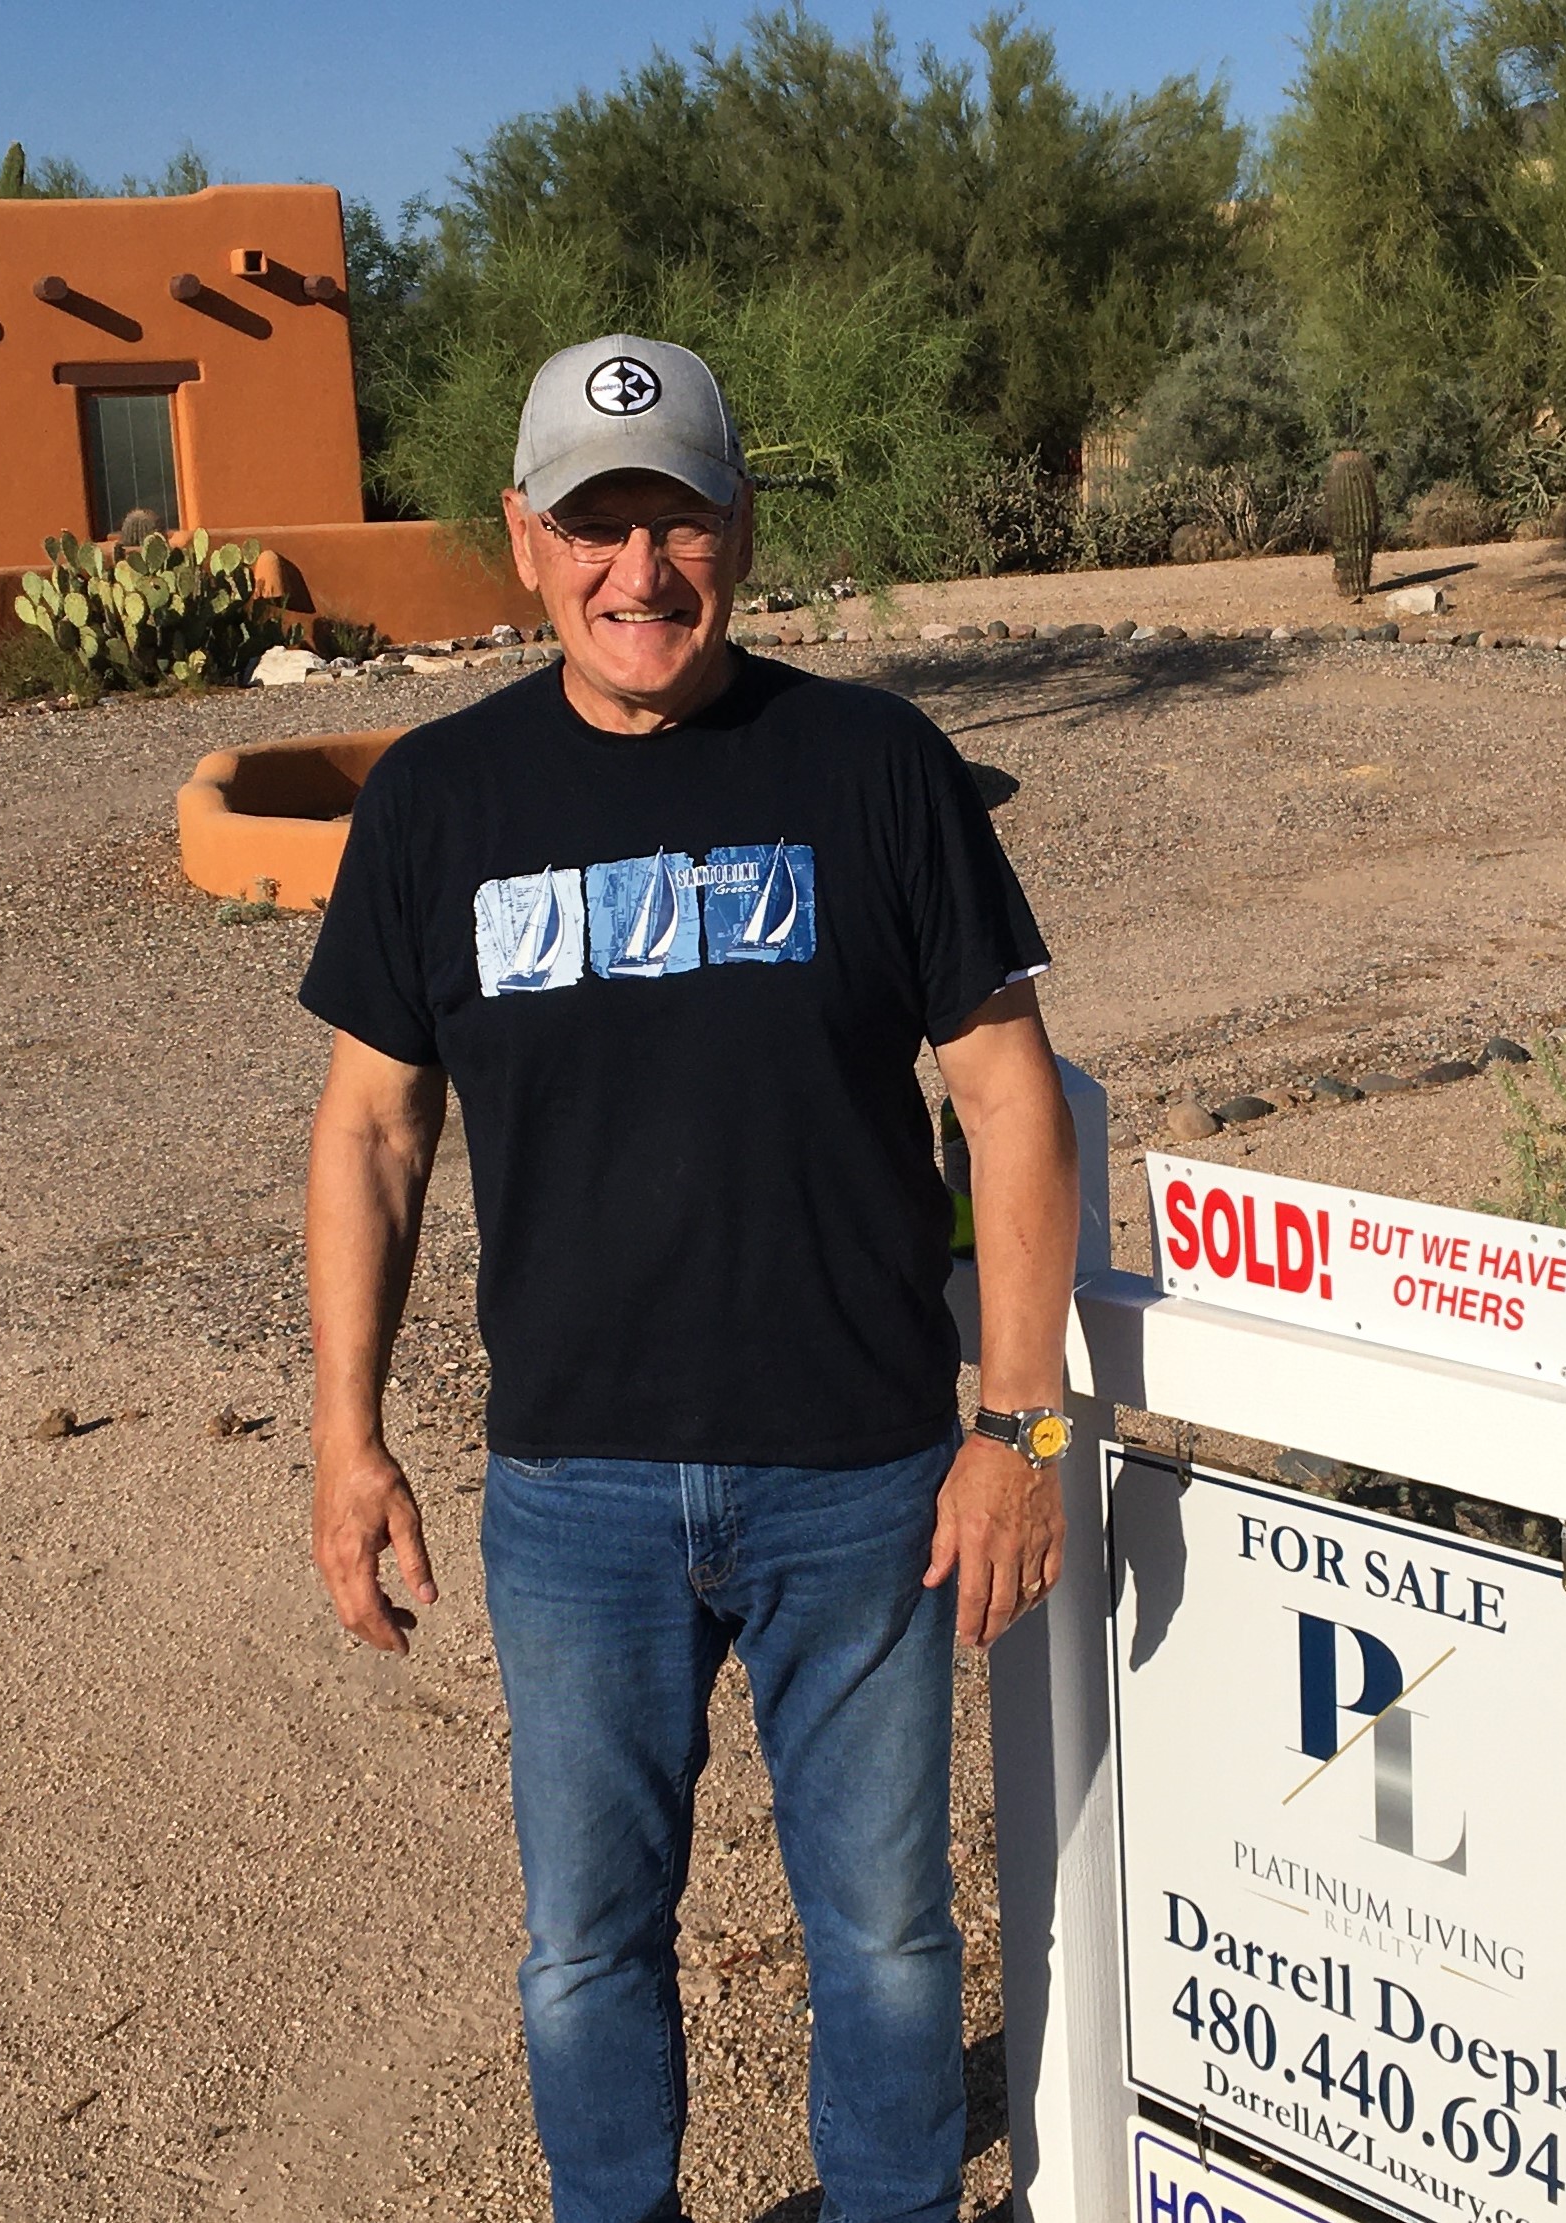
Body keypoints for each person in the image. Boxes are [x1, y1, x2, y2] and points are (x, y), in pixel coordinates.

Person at [299, 333, 1080, 2223]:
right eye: (595, 526)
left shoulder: (874, 768)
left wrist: (1018, 1429)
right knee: (585, 1944)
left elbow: (1008, 1100)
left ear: (740, 525)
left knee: (884, 1933)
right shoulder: (439, 802)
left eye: (676, 522)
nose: (637, 572)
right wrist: (345, 1437)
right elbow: (372, 1130)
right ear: (523, 537)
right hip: (575, 1489)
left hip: (860, 1477)